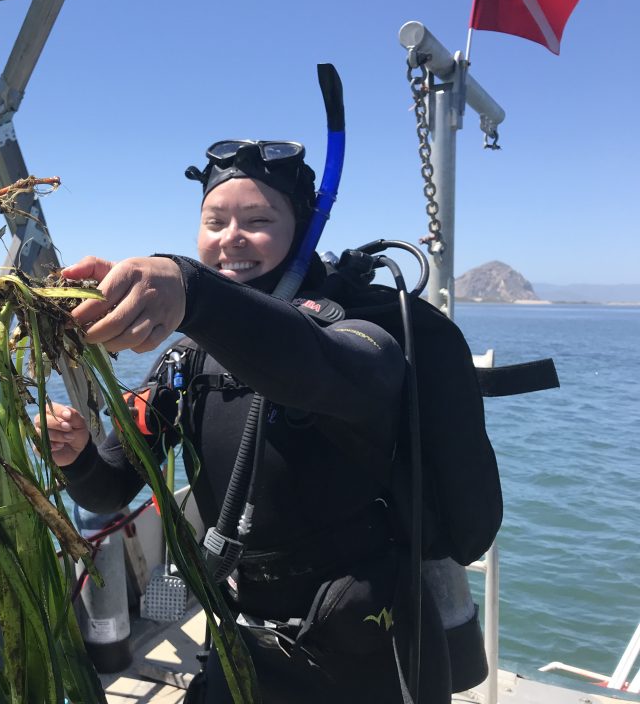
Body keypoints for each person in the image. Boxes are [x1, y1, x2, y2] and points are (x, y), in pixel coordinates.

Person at [36, 139, 452, 703]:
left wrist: (192, 292)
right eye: (215, 221)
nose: (231, 237)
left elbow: (315, 367)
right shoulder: (185, 361)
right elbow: (110, 486)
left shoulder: (362, 330)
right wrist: (76, 453)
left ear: (302, 231)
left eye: (257, 220)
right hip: (241, 641)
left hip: (365, 647)